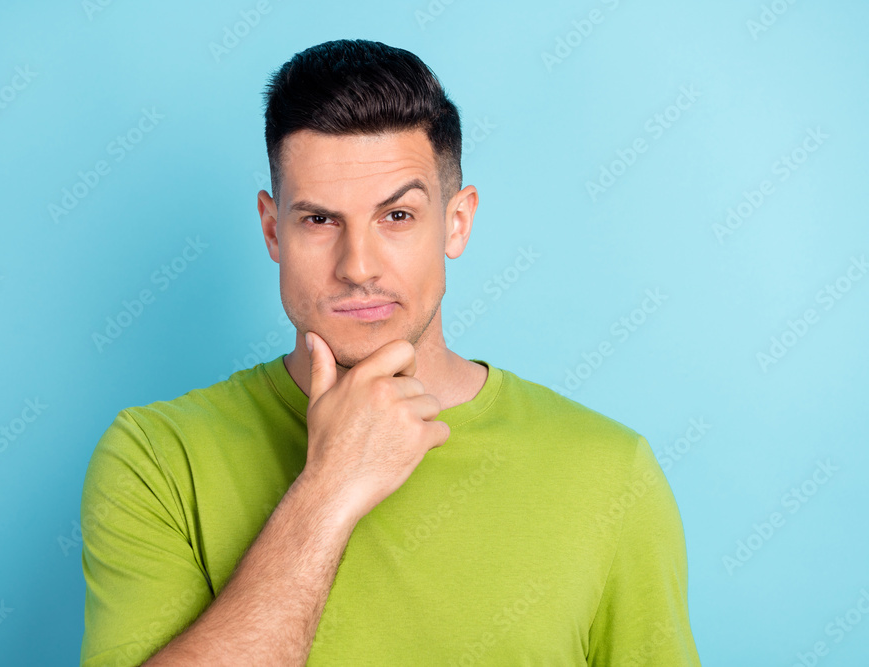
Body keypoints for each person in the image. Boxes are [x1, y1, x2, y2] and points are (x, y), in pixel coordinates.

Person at [79, 38, 702, 666]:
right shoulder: (158, 459)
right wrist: (330, 487)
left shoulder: (611, 473)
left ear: (456, 223)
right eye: (319, 221)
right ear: (273, 230)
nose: (358, 266)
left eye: (397, 216)